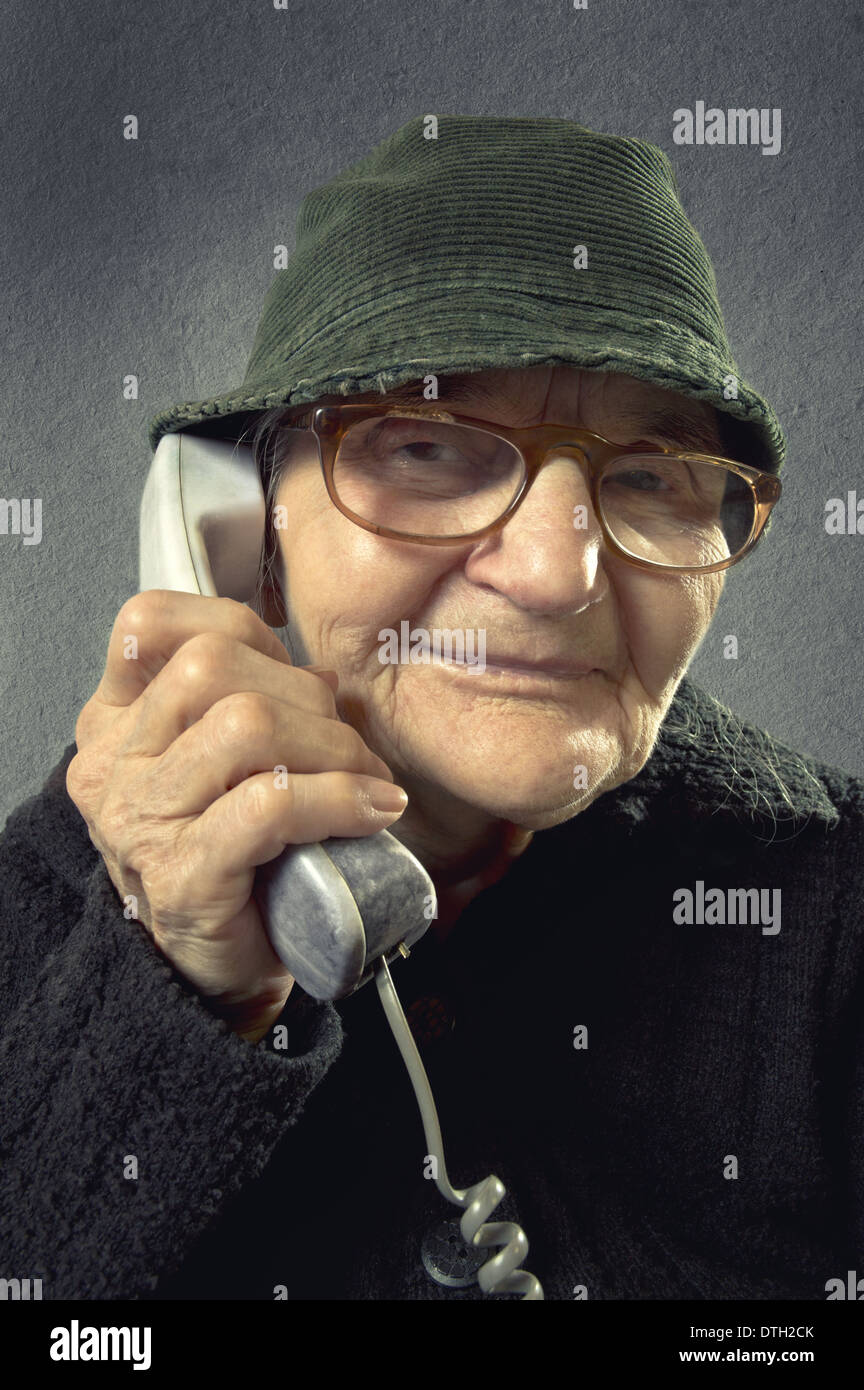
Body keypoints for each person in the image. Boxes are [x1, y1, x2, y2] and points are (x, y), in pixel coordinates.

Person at [2, 115, 862, 1302]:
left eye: (655, 475)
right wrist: (168, 987)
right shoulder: (40, 902)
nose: (558, 576)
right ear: (244, 530)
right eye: (427, 447)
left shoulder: (835, 913)